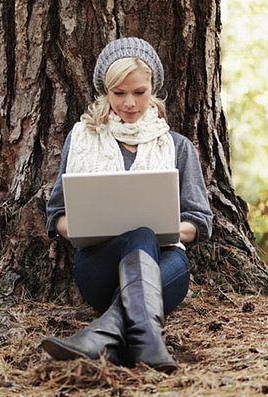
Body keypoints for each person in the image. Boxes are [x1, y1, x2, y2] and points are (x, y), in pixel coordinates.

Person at [41, 37, 213, 372]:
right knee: (139, 234)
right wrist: (82, 226)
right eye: (119, 94)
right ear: (106, 93)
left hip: (165, 263)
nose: (130, 103)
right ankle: (147, 342)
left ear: (153, 90)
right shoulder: (81, 140)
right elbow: (55, 216)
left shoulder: (176, 147)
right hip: (99, 264)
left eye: (139, 92)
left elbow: (200, 220)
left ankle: (101, 336)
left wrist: (162, 227)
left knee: (144, 234)